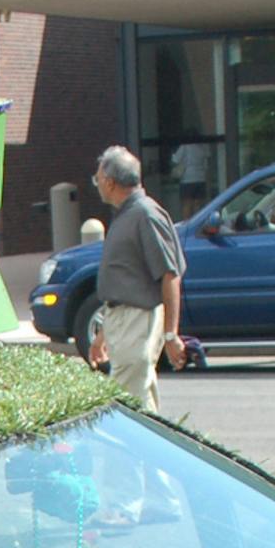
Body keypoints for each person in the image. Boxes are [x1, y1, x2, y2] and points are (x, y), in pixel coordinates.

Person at [86, 145, 186, 414]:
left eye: (97, 179)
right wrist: (103, 335)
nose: (97, 185)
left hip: (138, 321)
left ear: (109, 182)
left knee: (124, 408)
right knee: (140, 405)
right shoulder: (128, 214)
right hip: (124, 321)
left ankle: (130, 457)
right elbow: (124, 283)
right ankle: (149, 456)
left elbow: (170, 275)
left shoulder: (146, 215)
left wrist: (171, 334)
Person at [170, 131, 212, 219]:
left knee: (187, 205)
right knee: (198, 205)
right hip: (201, 178)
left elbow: (175, 160)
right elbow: (207, 164)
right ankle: (198, 224)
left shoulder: (185, 146)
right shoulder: (204, 146)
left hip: (187, 179)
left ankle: (186, 225)